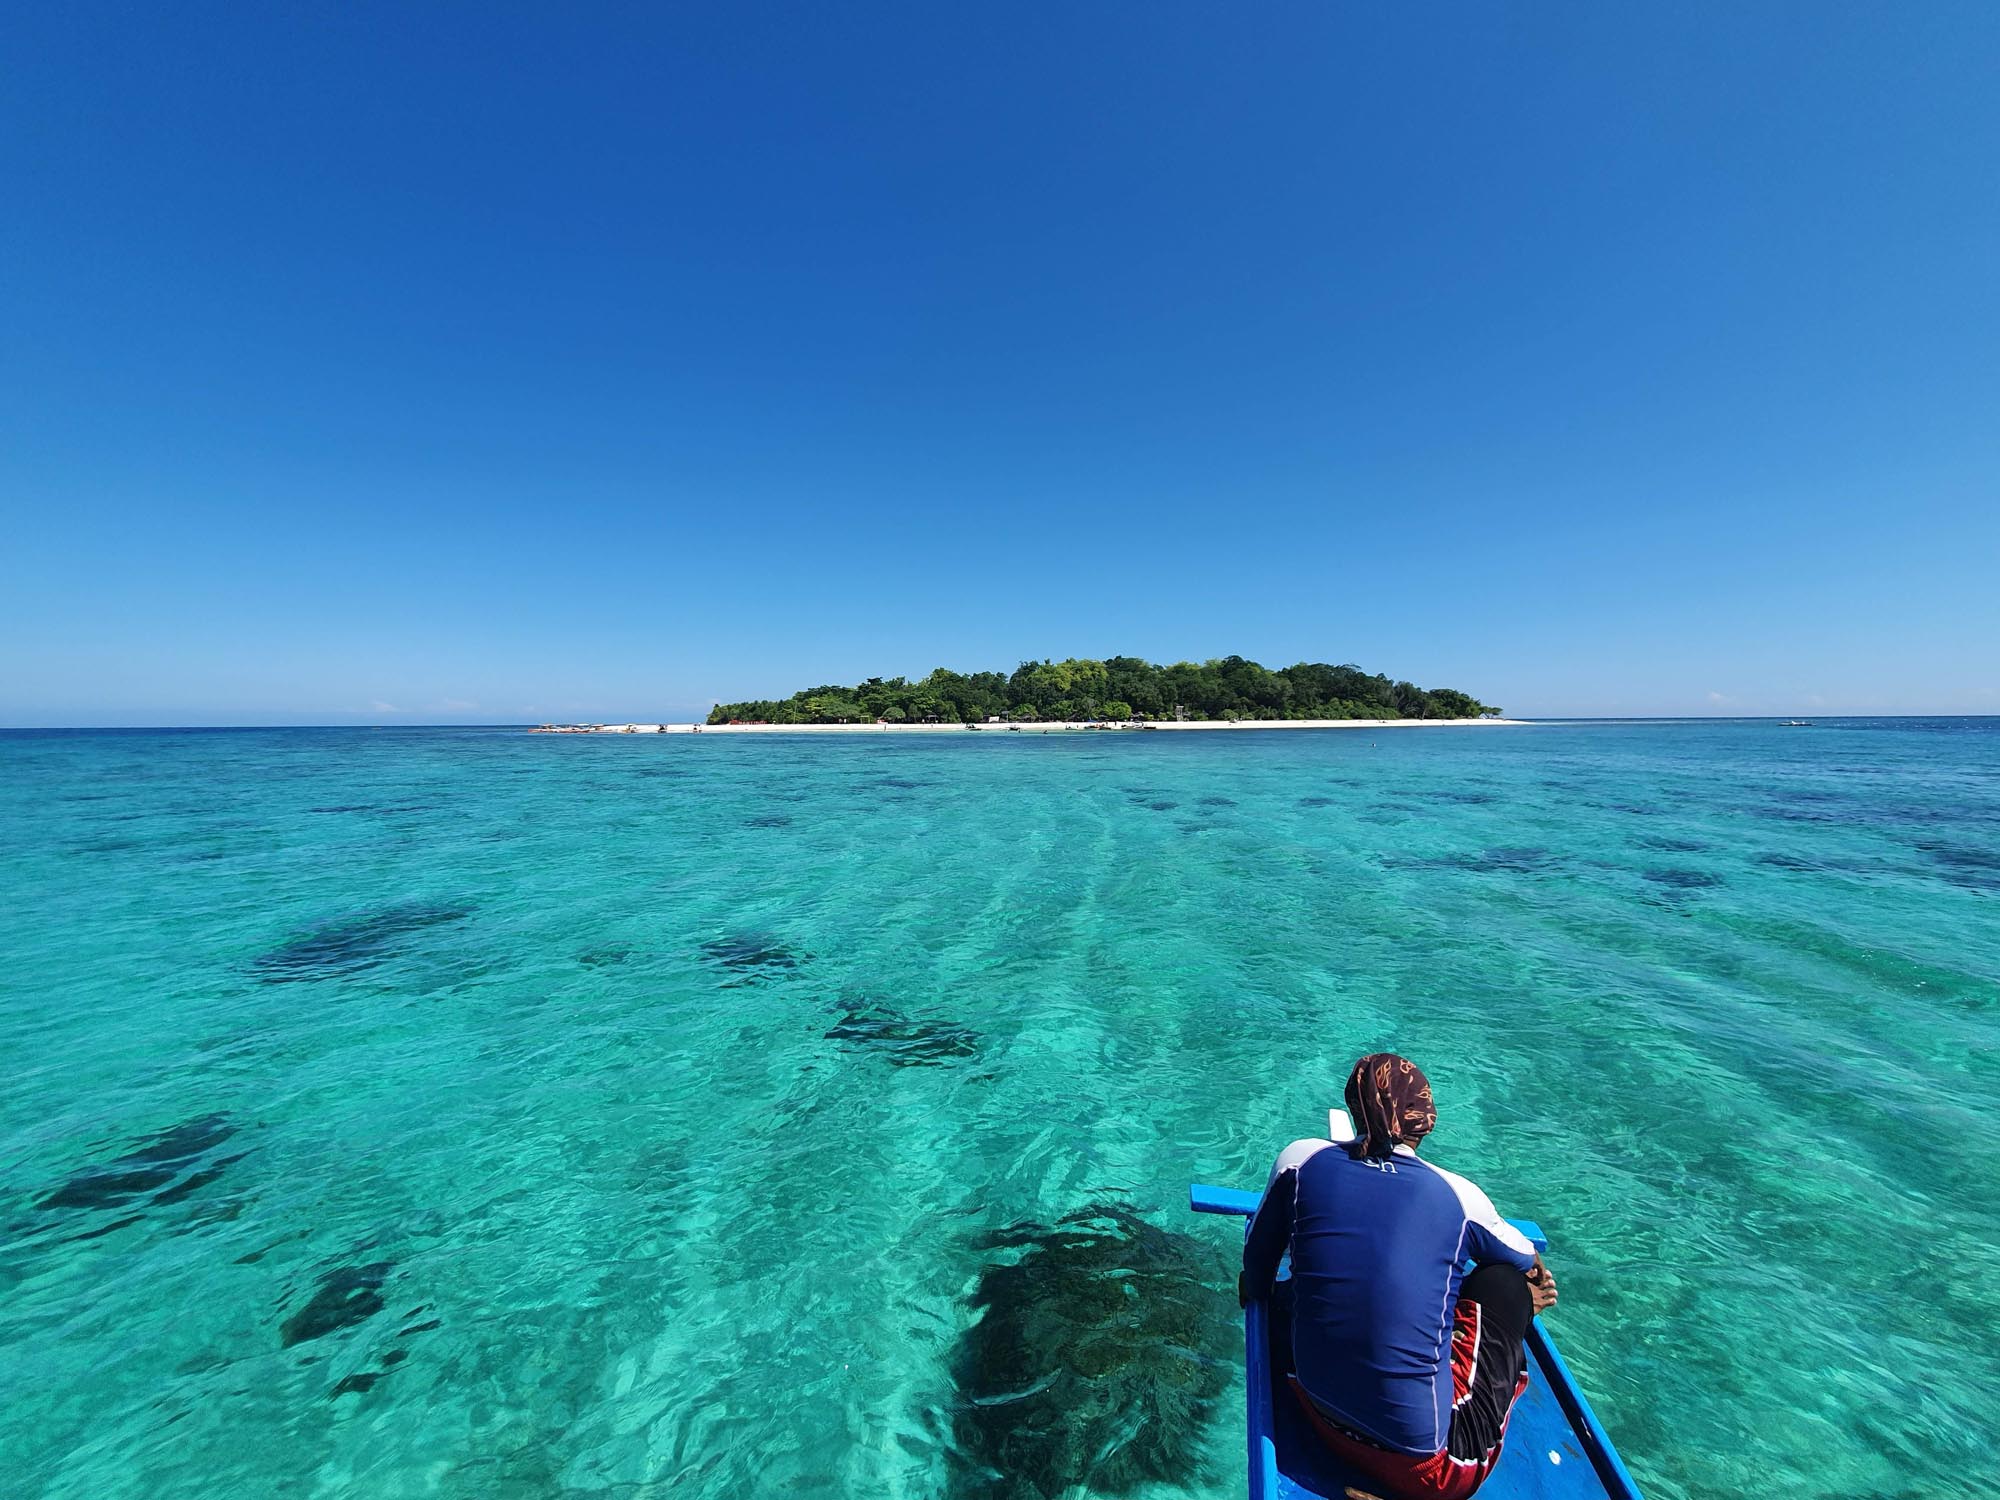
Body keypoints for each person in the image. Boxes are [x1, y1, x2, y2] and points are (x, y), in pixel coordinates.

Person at [1240, 1053, 1557, 1500]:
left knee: (1299, 1289)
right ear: (1425, 1121)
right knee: (1502, 1282)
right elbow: (1527, 1260)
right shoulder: (1460, 1196)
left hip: (1315, 1408)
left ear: (1354, 1107)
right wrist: (1525, 1295)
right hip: (1428, 1471)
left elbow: (1254, 1280)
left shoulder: (1300, 1159)